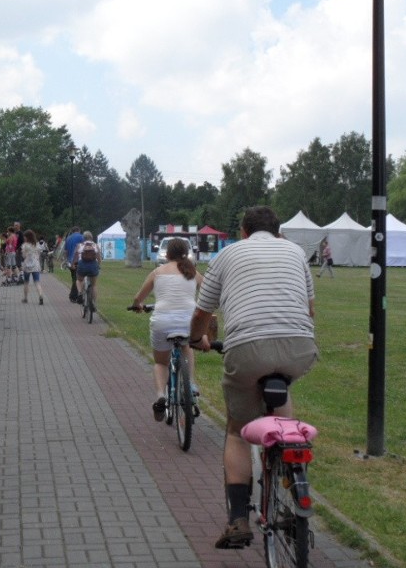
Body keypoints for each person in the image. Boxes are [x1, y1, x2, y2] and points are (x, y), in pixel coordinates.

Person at [188, 206, 317, 550]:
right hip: (299, 346)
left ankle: (238, 519)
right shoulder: (296, 252)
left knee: (237, 430)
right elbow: (310, 309)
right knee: (282, 388)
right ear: (277, 232)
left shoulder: (228, 254)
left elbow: (203, 311)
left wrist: (195, 338)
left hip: (246, 348)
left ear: (243, 232)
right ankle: (290, 472)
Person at [130, 237, 204, 421]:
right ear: (185, 253)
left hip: (162, 321)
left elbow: (138, 298)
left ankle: (161, 396)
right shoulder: (192, 272)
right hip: (188, 320)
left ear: (168, 254)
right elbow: (209, 289)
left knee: (161, 363)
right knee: (187, 346)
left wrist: (138, 305)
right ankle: (191, 384)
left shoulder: (157, 272)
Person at [72, 231, 101, 310]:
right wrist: (99, 265)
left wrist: (73, 264)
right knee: (94, 285)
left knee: (79, 280)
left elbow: (75, 256)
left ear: (83, 238)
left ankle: (80, 293)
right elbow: (99, 258)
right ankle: (94, 304)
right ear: (91, 237)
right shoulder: (95, 245)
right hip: (93, 266)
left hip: (82, 266)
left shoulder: (80, 245)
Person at [20, 229, 44, 305]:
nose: (24, 238)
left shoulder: (25, 245)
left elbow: (23, 256)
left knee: (26, 282)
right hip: (35, 265)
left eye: (25, 237)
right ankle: (40, 295)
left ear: (27, 237)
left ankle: (25, 298)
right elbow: (39, 253)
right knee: (37, 282)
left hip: (27, 265)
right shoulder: (37, 245)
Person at [64, 226, 84, 302]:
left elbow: (65, 251)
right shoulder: (81, 237)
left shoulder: (68, 238)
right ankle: (73, 296)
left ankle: (74, 295)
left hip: (70, 261)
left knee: (74, 278)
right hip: (78, 260)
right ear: (79, 230)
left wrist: (66, 260)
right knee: (78, 279)